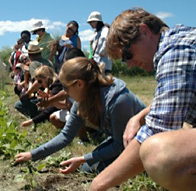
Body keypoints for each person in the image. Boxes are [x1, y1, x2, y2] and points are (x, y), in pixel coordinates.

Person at [87, 8, 196, 191]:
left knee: (157, 153)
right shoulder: (180, 41)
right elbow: (176, 98)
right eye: (123, 60)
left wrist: (99, 184)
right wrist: (139, 115)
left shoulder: (175, 52)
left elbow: (159, 129)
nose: (129, 64)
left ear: (145, 31)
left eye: (128, 54)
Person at [15, 57, 145, 174]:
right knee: (87, 169)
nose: (65, 92)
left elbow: (119, 145)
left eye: (66, 88)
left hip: (142, 141)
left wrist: (84, 158)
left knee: (101, 170)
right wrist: (33, 155)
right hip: (121, 140)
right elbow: (66, 135)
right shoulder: (83, 99)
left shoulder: (118, 101)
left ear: (79, 84)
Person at [14, 41, 53, 118]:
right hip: (52, 92)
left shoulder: (33, 64)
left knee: (18, 105)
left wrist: (27, 94)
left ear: (29, 55)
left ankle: (39, 115)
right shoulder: (49, 62)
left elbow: (38, 82)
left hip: (43, 95)